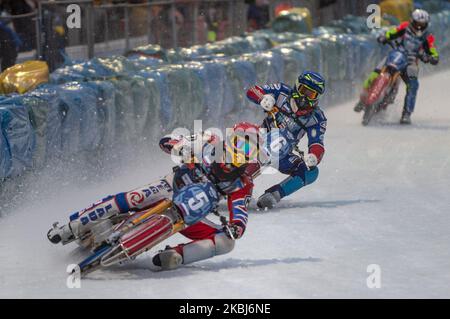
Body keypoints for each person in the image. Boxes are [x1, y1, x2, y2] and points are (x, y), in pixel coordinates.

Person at [48, 122, 260, 271]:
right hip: (168, 187)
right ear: (231, 138)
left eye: (248, 150)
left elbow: (240, 210)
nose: (240, 152)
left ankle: (175, 256)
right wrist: (179, 147)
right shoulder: (208, 141)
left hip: (190, 215)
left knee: (227, 242)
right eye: (240, 143)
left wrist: (237, 227)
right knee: (134, 197)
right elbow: (166, 141)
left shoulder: (243, 182)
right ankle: (71, 227)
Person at [246, 71, 327, 209]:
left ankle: (274, 195)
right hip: (257, 140)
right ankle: (239, 180)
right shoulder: (281, 91)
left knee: (311, 172)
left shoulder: (317, 118)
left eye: (311, 95)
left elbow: (317, 143)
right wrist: (263, 99)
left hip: (283, 154)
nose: (305, 98)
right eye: (304, 91)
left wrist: (314, 156)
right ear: (297, 87)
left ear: (317, 98)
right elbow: (252, 90)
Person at [354, 9, 439, 124]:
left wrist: (433, 57)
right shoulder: (405, 27)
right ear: (412, 21)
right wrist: (385, 36)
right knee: (375, 73)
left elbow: (432, 49)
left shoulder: (428, 36)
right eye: (418, 23)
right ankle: (362, 99)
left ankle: (406, 114)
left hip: (411, 61)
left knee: (413, 85)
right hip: (397, 54)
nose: (419, 26)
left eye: (422, 24)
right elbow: (392, 31)